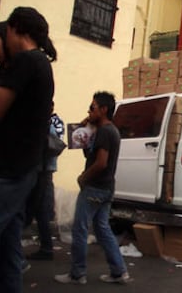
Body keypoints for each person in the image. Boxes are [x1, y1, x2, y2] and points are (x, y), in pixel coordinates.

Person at [0, 7, 56, 293]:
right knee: (8, 249)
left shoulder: (26, 62)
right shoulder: (42, 65)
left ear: (15, 30)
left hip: (3, 171)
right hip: (21, 170)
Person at [55, 91, 131, 285]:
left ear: (104, 110)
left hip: (95, 188)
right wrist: (85, 130)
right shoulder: (108, 130)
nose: (89, 111)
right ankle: (118, 271)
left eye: (92, 107)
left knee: (79, 229)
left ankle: (77, 273)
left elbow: (101, 163)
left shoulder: (105, 132)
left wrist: (83, 178)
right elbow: (90, 155)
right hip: (106, 188)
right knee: (102, 229)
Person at [26, 102, 64, 260]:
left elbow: (49, 146)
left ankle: (46, 248)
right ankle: (46, 247)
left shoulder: (47, 124)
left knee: (33, 208)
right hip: (45, 171)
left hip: (42, 171)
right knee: (41, 210)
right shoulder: (52, 123)